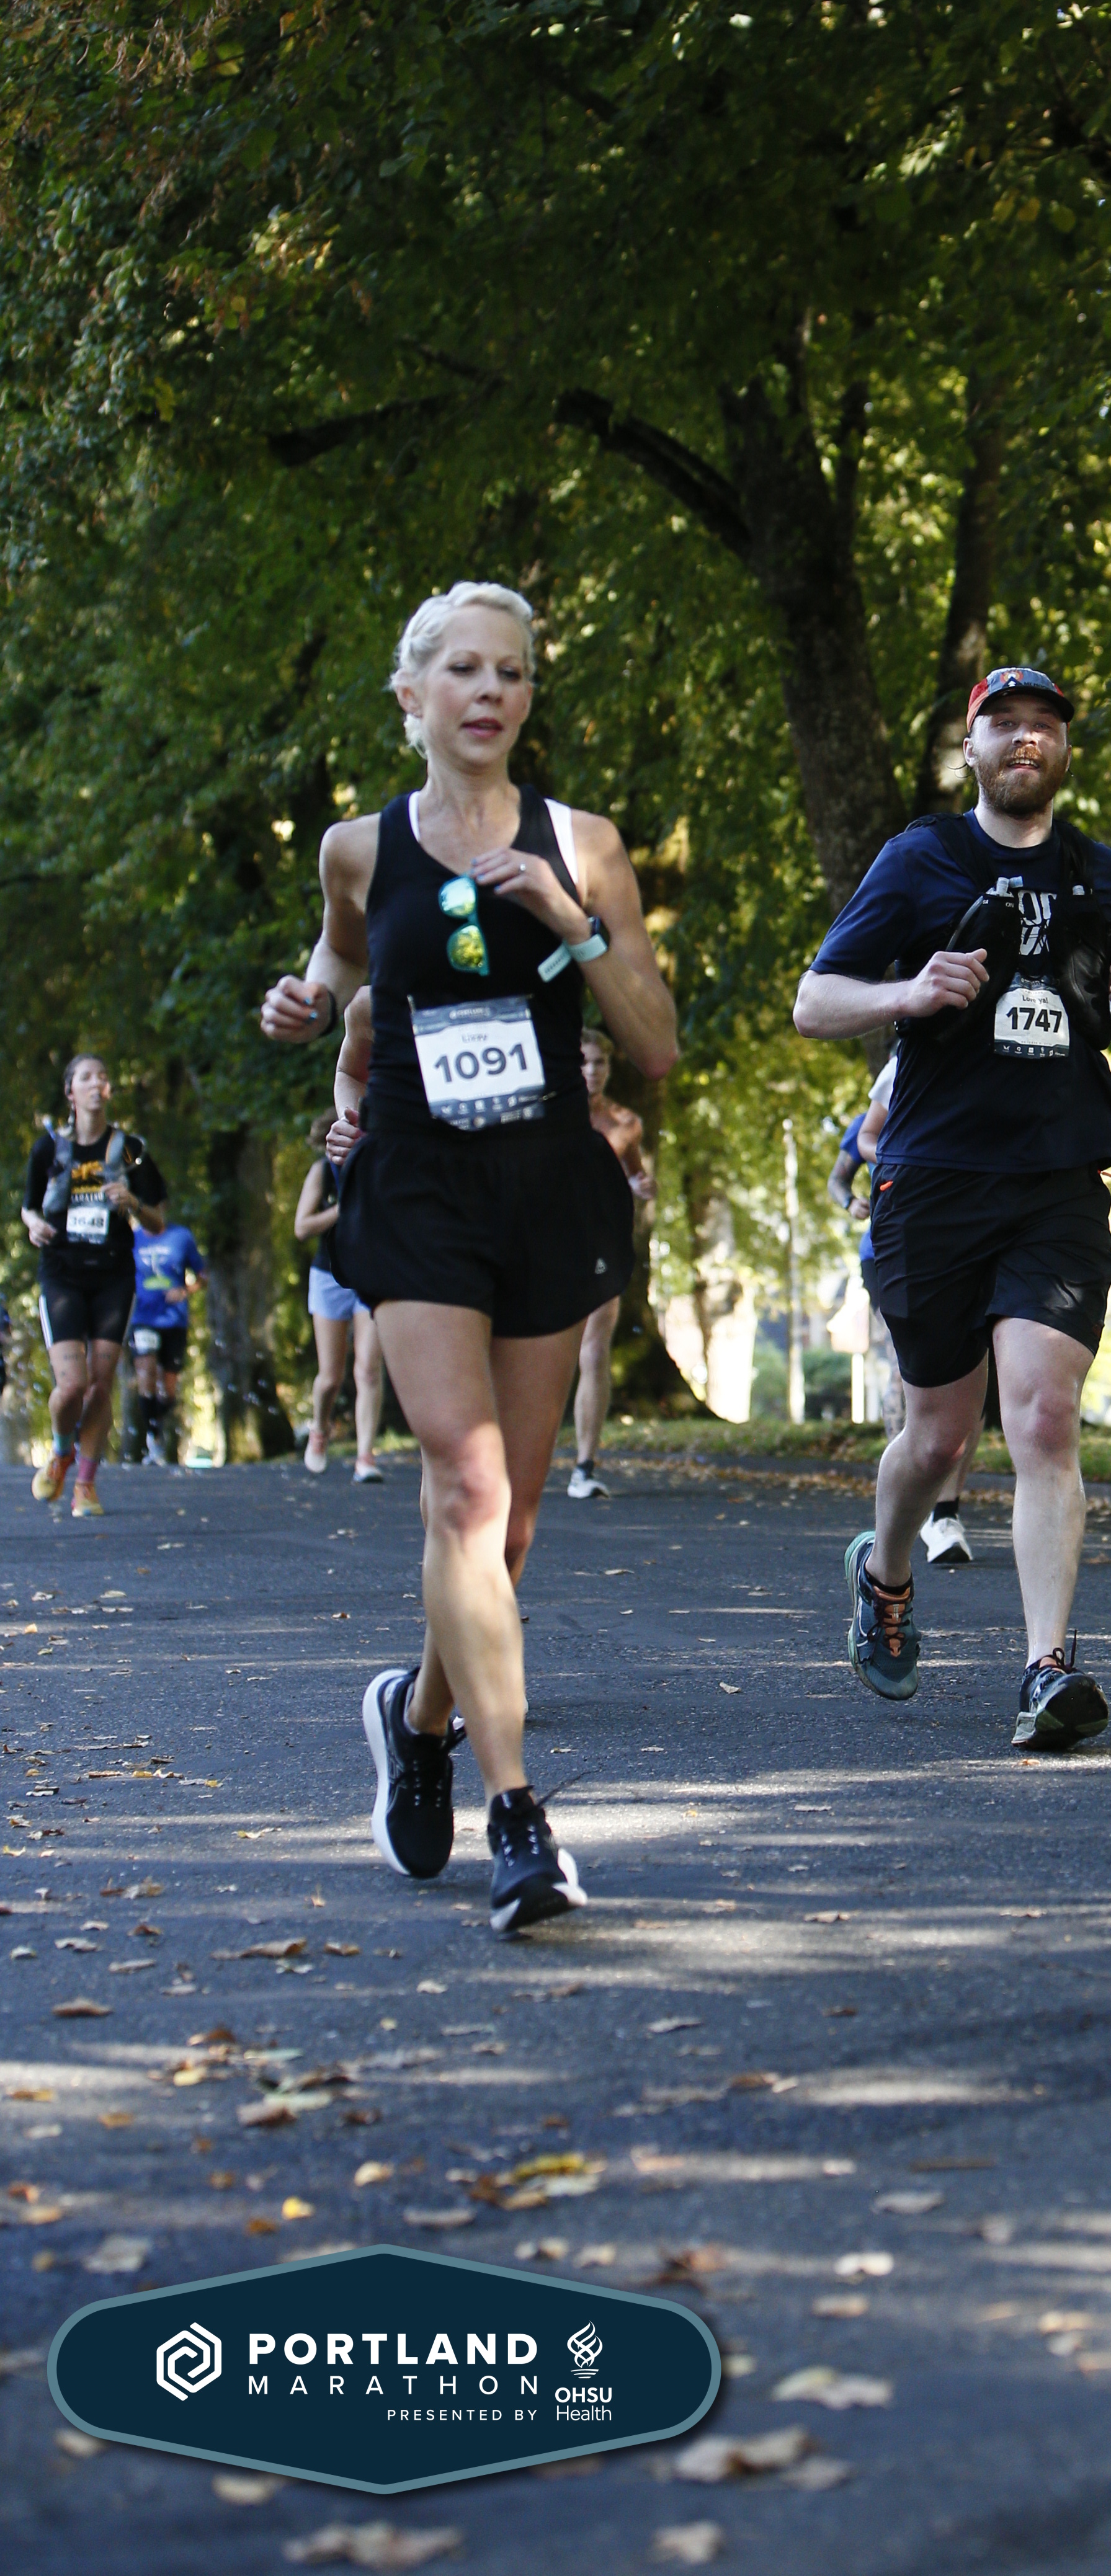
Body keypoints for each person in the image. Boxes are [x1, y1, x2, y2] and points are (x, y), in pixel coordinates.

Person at [261, 579, 677, 1934]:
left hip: (546, 1183)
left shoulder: (584, 842)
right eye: (464, 669)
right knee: (466, 1482)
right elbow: (339, 966)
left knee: (514, 1520)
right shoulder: (357, 848)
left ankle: (421, 1714)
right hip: (417, 1183)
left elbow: (655, 1043)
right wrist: (304, 1003)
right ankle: (518, 1818)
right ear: (413, 695)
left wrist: (570, 919)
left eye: (512, 672)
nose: (491, 690)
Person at [793, 663, 1111, 1749]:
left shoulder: (1098, 871)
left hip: (1057, 1179)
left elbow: (1100, 1003)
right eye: (1004, 723)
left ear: (1064, 750)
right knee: (939, 1435)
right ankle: (885, 1572)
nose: (1025, 739)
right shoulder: (921, 858)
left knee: (1043, 1417)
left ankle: (1048, 1669)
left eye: (1045, 725)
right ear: (972, 748)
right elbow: (815, 1000)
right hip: (935, 1181)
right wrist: (909, 992)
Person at [829, 1064, 979, 1564]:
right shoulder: (875, 1114)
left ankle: (945, 1512)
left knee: (973, 1374)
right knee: (905, 1368)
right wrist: (851, 1203)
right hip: (890, 1250)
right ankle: (911, 1493)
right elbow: (839, 1177)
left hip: (966, 1242)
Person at [21, 1055, 168, 1518]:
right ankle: (61, 1450)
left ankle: (85, 1484)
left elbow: (159, 1222)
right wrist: (34, 1225)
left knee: (100, 1388)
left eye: (103, 1077)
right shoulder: (49, 1148)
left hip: (113, 1277)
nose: (96, 1083)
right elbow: (29, 1207)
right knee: (71, 1388)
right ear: (70, 1092)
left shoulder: (131, 1150)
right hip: (62, 1274)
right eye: (86, 1077)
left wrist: (133, 1203)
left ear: (108, 1092)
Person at [568, 1027, 656, 1499]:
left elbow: (638, 1177)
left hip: (604, 1242)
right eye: (582, 1062)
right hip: (549, 1243)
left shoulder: (625, 1123)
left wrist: (642, 1187)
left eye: (599, 1062)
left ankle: (584, 1465)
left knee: (594, 1350)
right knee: (543, 1351)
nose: (591, 1071)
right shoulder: (546, 1115)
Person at [293, 1108, 387, 1481]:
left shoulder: (381, 1165)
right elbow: (302, 1227)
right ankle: (320, 1429)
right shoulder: (322, 1172)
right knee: (331, 1377)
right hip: (328, 1275)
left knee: (368, 1368)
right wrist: (342, 1210)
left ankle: (365, 1457)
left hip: (372, 1272)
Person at [128, 1209, 207, 1466]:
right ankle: (152, 1437)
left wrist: (185, 1290)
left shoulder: (181, 1237)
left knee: (169, 1391)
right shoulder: (132, 1239)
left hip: (174, 1321)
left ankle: (158, 1421)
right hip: (143, 1319)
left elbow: (203, 1275)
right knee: (146, 1373)